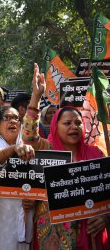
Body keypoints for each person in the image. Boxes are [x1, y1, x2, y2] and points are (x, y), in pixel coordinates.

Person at [23, 63, 109, 250]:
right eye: (67, 123)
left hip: (90, 232)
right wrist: (36, 97)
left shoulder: (96, 154)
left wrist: (105, 215)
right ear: (55, 126)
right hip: (52, 234)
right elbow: (29, 137)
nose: (74, 127)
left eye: (78, 123)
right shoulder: (49, 149)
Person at [0, 106, 35, 250]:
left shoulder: (28, 143)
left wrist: (34, 197)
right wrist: (12, 150)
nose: (13, 121)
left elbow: (39, 174)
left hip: (24, 212)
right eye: (7, 118)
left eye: (16, 118)